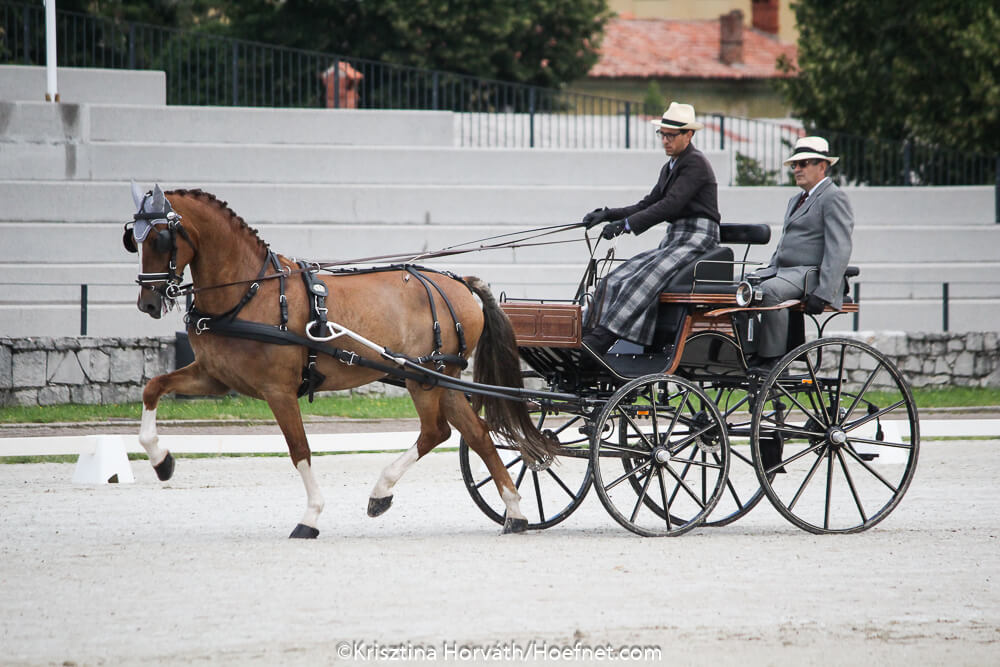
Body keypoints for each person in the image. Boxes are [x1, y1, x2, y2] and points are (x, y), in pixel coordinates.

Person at [580, 102, 721, 353]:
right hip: (676, 239)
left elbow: (670, 205)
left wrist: (625, 226)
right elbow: (648, 204)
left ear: (689, 135)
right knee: (616, 278)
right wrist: (607, 214)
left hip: (698, 239)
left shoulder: (696, 164)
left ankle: (602, 340)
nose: (665, 140)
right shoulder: (670, 167)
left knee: (644, 279)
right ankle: (587, 330)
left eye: (671, 135)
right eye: (662, 134)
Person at [747, 136, 854, 368]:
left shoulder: (833, 197)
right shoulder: (796, 199)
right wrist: (769, 267)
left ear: (822, 166)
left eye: (803, 164)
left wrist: (824, 292)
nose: (796, 169)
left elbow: (840, 248)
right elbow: (786, 241)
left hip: (809, 274)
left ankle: (772, 357)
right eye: (795, 165)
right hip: (784, 271)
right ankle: (746, 349)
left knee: (769, 291)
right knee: (738, 285)